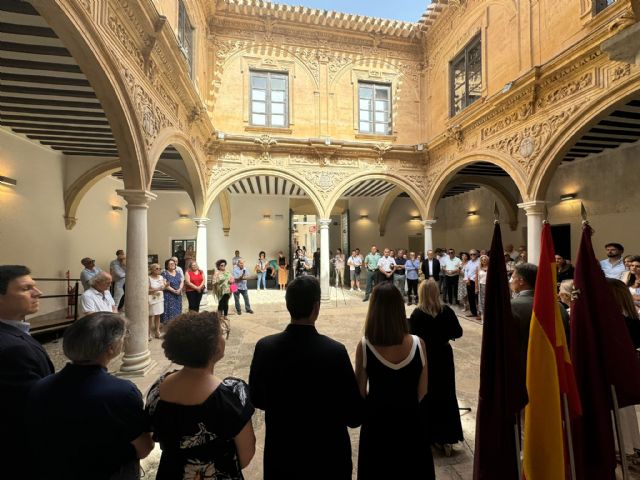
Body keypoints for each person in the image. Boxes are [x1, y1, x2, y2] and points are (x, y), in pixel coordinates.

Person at [249, 276, 362, 480]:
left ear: (287, 304)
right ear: (316, 307)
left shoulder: (265, 348)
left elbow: (257, 398)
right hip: (328, 457)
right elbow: (353, 415)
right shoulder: (335, 352)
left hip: (283, 456)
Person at [27, 313, 153, 480]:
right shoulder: (122, 392)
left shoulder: (40, 387)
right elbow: (144, 448)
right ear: (111, 348)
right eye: (123, 337)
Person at [146, 312, 256, 479]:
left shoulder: (158, 389)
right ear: (216, 347)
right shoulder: (232, 394)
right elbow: (246, 455)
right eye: (221, 334)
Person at [355, 282, 433, 480]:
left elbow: (360, 392)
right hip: (411, 424)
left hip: (377, 426)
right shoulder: (418, 344)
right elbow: (423, 391)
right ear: (400, 308)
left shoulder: (365, 346)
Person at [0, 265, 54, 478]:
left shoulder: (15, 334)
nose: (38, 292)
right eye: (26, 288)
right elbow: (34, 407)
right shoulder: (11, 348)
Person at [409, 279, 463, 456]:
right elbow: (458, 332)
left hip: (425, 356)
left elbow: (412, 337)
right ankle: (447, 435)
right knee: (446, 392)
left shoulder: (417, 314)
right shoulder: (446, 311)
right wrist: (444, 334)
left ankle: (430, 434)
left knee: (428, 392)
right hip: (444, 355)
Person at [511, 263, 570, 378]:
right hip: (553, 369)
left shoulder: (512, 306)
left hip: (524, 370)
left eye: (513, 277)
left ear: (521, 281)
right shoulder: (559, 307)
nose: (511, 281)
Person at [607, 278, 640, 458]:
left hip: (615, 372)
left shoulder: (619, 321)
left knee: (619, 411)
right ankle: (629, 445)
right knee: (625, 412)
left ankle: (622, 446)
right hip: (625, 370)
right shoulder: (632, 319)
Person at [161, 258, 183, 324]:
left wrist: (179, 289)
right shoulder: (164, 273)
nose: (172, 265)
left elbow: (182, 281)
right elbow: (165, 284)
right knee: (169, 310)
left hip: (178, 294)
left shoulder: (178, 272)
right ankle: (168, 325)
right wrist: (174, 291)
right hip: (169, 295)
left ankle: (176, 324)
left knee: (177, 310)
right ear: (167, 265)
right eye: (170, 264)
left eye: (173, 263)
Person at [148, 263, 166, 339]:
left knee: (158, 315)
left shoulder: (161, 277)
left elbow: (163, 288)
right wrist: (157, 289)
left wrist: (166, 286)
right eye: (157, 268)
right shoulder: (148, 278)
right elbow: (147, 290)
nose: (159, 270)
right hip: (152, 298)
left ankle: (157, 331)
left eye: (159, 268)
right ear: (151, 270)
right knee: (150, 316)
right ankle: (148, 333)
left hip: (160, 298)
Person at [463, 250, 480, 319]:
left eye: (474, 254)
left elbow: (479, 272)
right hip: (469, 282)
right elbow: (466, 271)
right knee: (470, 298)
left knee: (478, 298)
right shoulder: (469, 262)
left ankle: (480, 313)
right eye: (471, 254)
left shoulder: (479, 262)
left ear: (477, 254)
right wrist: (466, 278)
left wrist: (471, 278)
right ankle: (473, 312)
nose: (472, 255)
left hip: (476, 282)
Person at [476, 254, 489, 321]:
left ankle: (488, 317)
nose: (484, 261)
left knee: (488, 301)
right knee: (481, 302)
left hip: (488, 287)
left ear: (487, 260)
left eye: (485, 259)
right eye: (482, 260)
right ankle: (483, 317)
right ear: (480, 261)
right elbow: (476, 279)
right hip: (481, 286)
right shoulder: (478, 268)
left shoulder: (490, 268)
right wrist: (476, 288)